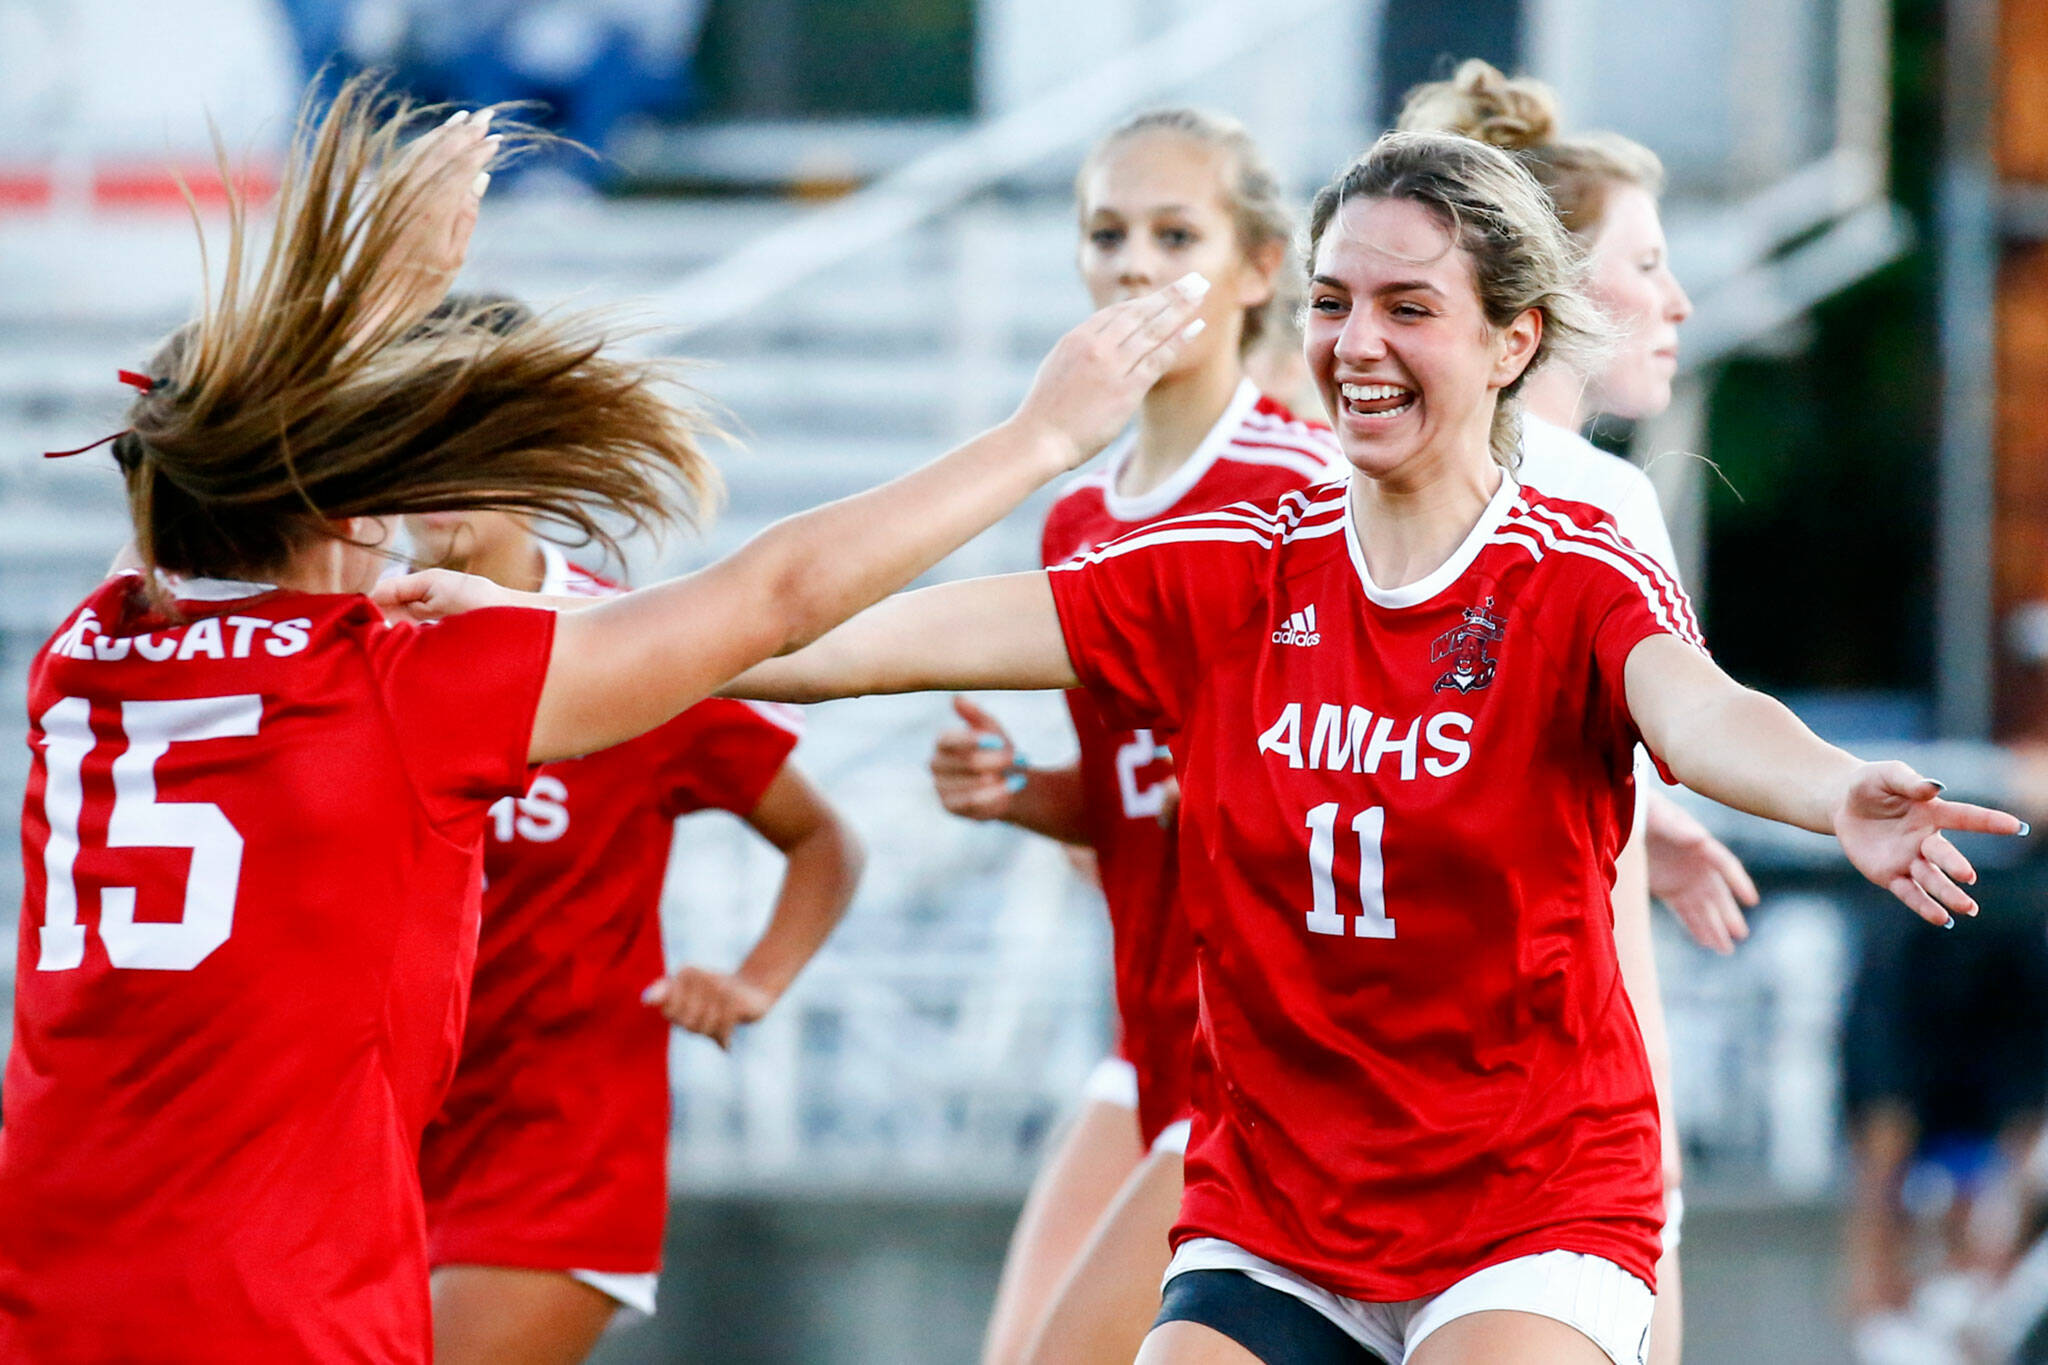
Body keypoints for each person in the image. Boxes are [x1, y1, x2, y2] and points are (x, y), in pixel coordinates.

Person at [578, 130, 2013, 1365]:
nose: (1358, 345)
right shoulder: (1228, 573)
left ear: (1514, 341)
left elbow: (1702, 711)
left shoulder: (1569, 570)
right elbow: (841, 644)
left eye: (1409, 307)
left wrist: (1836, 790)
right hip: (1280, 1208)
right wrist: (576, 627)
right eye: (1334, 305)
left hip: (1527, 1202)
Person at [0, 73, 1208, 1362]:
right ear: (345, 500)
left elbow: (210, 444)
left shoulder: (88, 649)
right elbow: (778, 597)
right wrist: (1037, 438)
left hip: (55, 1271)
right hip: (269, 1301)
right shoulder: (400, 681)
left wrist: (375, 286)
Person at [927, 107, 1341, 1365]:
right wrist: (1021, 793)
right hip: (1148, 1033)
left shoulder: (1300, 488)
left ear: (1259, 266)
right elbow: (1127, 798)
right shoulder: (1076, 518)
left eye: (1175, 232)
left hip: (1267, 1051)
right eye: (1106, 233)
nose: (1131, 264)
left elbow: (1351, 756)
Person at [1397, 58, 1759, 1364]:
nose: (1674, 300)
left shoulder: (1412, 467)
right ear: (1552, 289)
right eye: (1647, 261)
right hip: (1527, 1108)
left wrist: (1638, 813)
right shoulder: (1587, 500)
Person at [408, 488, 862, 1365]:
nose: (433, 484)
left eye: (464, 451)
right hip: (366, 1137)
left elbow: (822, 840)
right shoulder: (352, 643)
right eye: (410, 450)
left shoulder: (623, 640)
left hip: (556, 1148)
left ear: (532, 468)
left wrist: (755, 978)